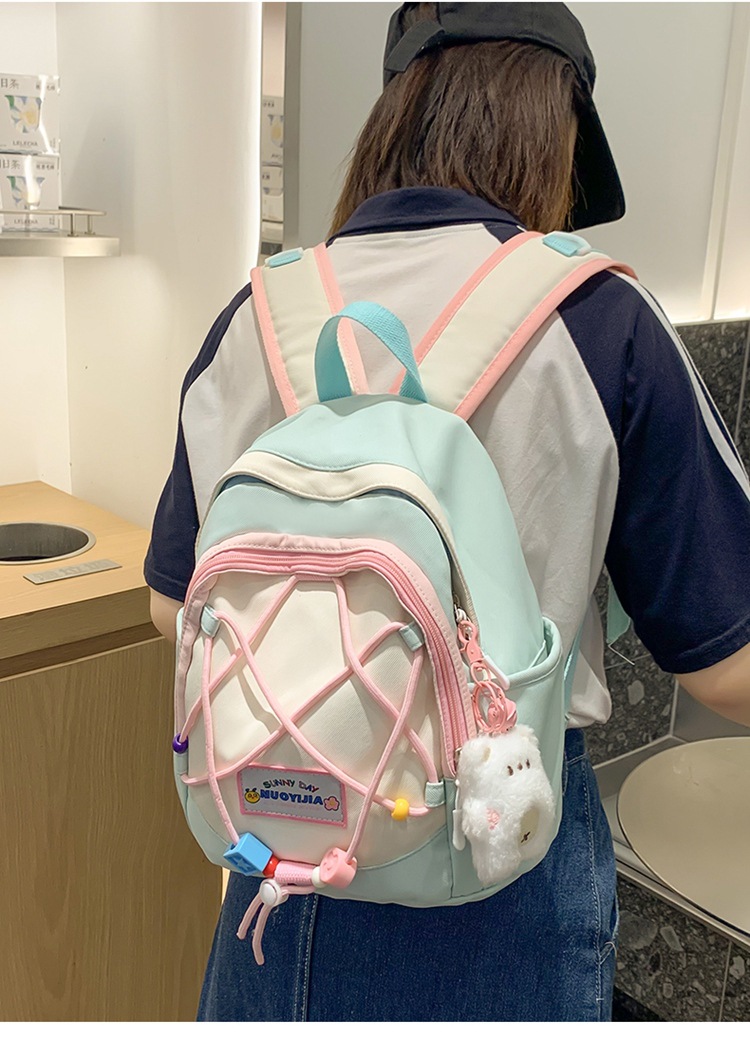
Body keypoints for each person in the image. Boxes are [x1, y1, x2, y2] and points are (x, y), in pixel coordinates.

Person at [145, 2, 750, 1022]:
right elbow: (727, 663)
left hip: (279, 848)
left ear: (393, 117)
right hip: (496, 856)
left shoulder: (259, 311)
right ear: (556, 128)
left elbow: (172, 607)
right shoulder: (601, 322)